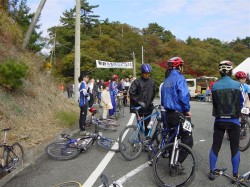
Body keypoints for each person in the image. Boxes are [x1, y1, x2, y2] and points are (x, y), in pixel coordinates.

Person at [208, 60, 244, 184]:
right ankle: (235, 175)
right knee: (234, 148)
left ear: (220, 72)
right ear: (231, 71)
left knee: (215, 146)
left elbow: (214, 103)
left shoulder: (215, 85)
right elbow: (241, 102)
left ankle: (212, 172)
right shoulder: (237, 85)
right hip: (234, 120)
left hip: (219, 120)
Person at [161, 57, 193, 167]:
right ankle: (177, 163)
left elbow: (162, 98)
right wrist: (187, 110)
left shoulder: (166, 81)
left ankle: (171, 161)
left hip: (167, 113)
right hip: (178, 113)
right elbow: (183, 95)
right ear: (179, 67)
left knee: (172, 138)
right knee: (188, 139)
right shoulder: (180, 78)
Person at [129, 64, 156, 135]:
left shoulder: (152, 82)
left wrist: (150, 102)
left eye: (148, 73)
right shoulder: (136, 82)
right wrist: (139, 102)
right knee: (140, 125)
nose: (147, 75)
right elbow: (131, 93)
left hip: (148, 108)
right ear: (142, 73)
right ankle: (140, 140)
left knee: (148, 125)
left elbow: (153, 93)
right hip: (139, 108)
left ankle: (146, 138)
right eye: (145, 73)